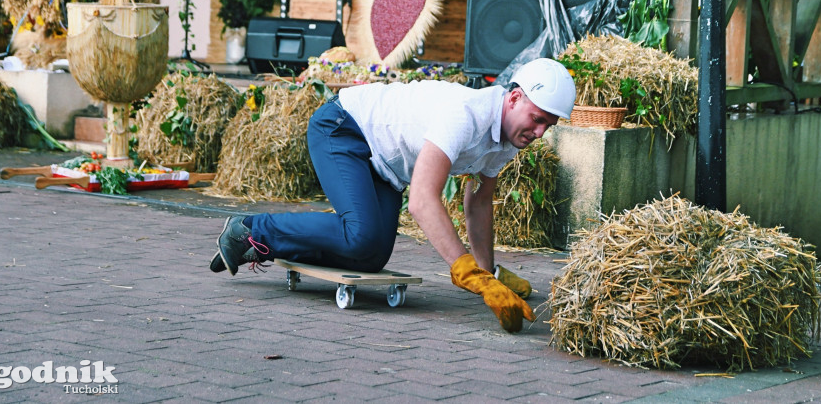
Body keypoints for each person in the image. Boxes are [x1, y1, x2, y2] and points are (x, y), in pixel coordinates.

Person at [211, 57, 576, 333]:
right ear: (514, 98)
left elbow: (478, 202)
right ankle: (251, 230)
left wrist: (488, 273)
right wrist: (466, 273)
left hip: (384, 166)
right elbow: (421, 199)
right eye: (538, 118)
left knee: (368, 256)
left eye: (549, 125)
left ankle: (267, 242)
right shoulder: (466, 115)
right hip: (343, 129)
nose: (540, 132)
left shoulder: (508, 140)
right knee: (362, 235)